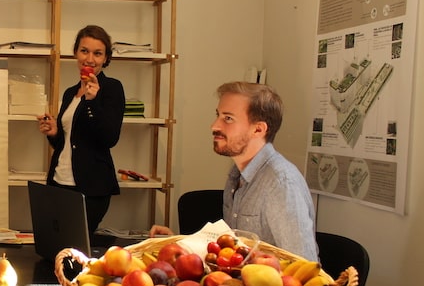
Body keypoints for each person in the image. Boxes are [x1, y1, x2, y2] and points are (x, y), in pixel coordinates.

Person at [150, 81, 318, 261]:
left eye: (228, 118)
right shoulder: (236, 175)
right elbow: (233, 252)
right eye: (218, 115)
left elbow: (305, 265)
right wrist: (181, 245)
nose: (214, 126)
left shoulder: (281, 183)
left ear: (258, 129)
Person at [38, 25, 125, 236]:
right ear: (76, 53)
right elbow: (68, 143)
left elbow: (109, 138)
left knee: (76, 245)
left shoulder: (111, 88)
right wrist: (54, 133)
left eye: (98, 53)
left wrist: (92, 101)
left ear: (106, 59)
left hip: (92, 188)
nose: (90, 59)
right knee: (56, 245)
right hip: (59, 182)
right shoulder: (70, 93)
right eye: (84, 51)